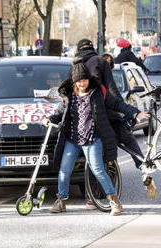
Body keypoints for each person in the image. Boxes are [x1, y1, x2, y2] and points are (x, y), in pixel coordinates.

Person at [45, 62, 149, 216]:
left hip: (93, 138)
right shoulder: (69, 95)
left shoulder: (98, 92)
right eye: (79, 81)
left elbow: (117, 104)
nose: (82, 84)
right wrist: (50, 119)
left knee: (98, 169)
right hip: (73, 140)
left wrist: (135, 113)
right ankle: (61, 200)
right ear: (74, 81)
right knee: (64, 171)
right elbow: (60, 111)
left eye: (84, 80)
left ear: (88, 79)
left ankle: (114, 201)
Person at [75, 39, 157, 203]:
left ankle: (91, 198)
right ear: (93, 48)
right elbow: (112, 89)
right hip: (107, 113)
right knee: (127, 139)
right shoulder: (100, 62)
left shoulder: (74, 64)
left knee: (93, 156)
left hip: (86, 118)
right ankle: (143, 168)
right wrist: (124, 111)